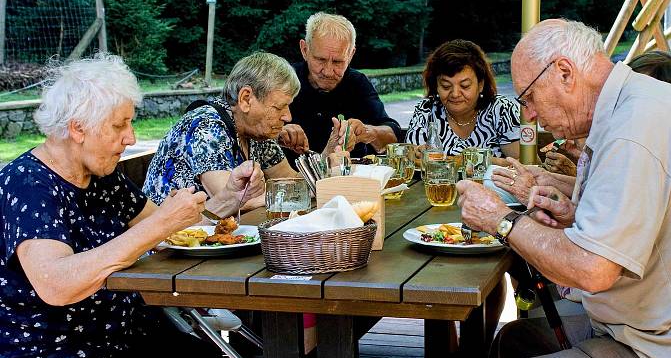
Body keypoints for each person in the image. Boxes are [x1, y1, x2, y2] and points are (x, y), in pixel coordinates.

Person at [451, 20, 671, 358]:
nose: (531, 115)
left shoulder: (634, 131)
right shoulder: (640, 104)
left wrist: (501, 219)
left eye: (529, 97)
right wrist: (576, 213)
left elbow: (593, 271)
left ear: (564, 72)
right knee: (514, 340)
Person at [0, 55, 263, 358]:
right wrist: (158, 227)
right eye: (119, 126)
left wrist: (229, 197)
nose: (132, 137)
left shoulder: (100, 176)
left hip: (116, 334)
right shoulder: (29, 185)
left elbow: (181, 230)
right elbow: (56, 283)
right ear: (78, 128)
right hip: (53, 354)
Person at [144, 51, 343, 210]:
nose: (287, 116)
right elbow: (236, 200)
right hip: (168, 251)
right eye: (279, 107)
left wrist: (327, 164)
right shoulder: (206, 126)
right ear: (246, 98)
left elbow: (293, 182)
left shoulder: (257, 132)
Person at [494, 50, 671, 205]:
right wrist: (550, 177)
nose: (530, 114)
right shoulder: (627, 125)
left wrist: (504, 221)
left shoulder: (638, 133)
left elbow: (606, 234)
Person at [285, 12, 401, 160]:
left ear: (351, 55)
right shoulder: (285, 81)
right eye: (320, 59)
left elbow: (393, 133)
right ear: (304, 50)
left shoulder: (358, 83)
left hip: (349, 178)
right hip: (294, 178)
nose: (328, 72)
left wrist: (367, 132)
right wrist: (280, 133)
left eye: (338, 62)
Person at [406, 39, 520, 161]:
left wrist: (487, 162)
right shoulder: (426, 110)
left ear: (480, 84)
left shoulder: (501, 110)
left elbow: (524, 164)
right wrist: (417, 154)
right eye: (446, 86)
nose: (455, 94)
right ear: (436, 86)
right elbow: (413, 160)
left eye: (465, 86)